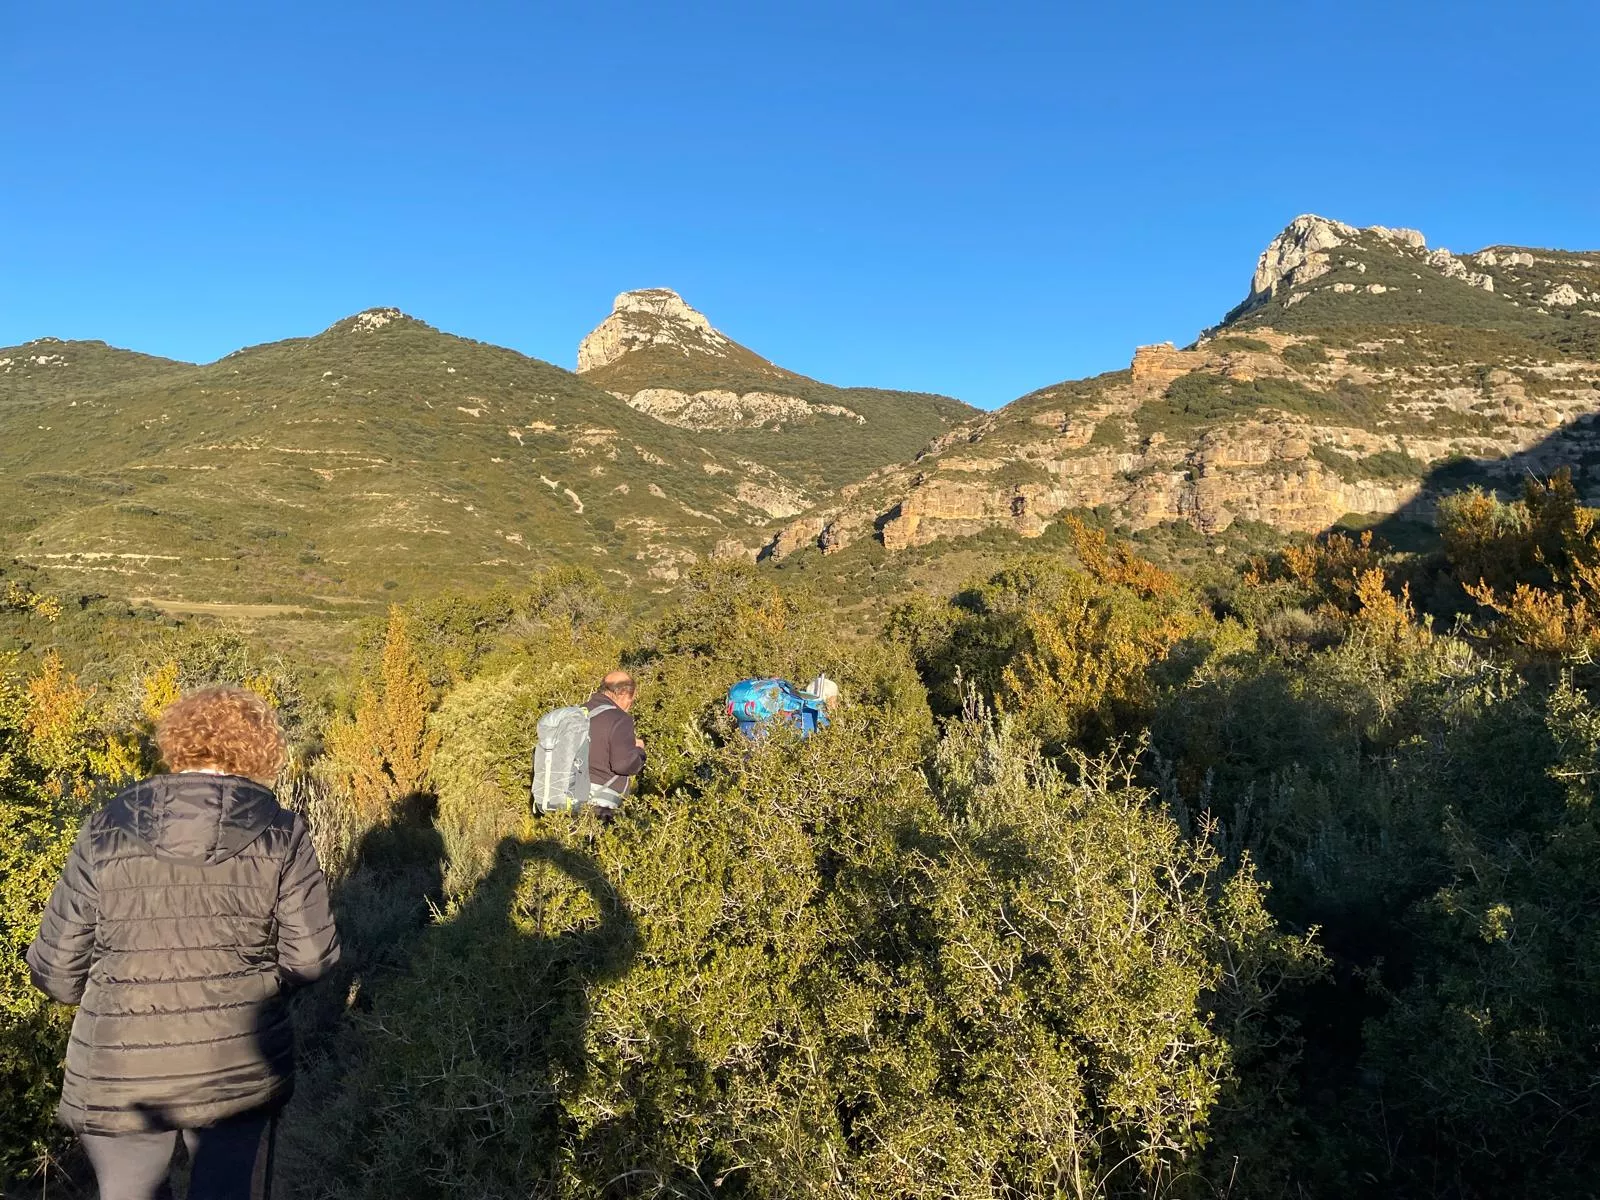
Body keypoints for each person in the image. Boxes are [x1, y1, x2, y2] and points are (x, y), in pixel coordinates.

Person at [27, 685, 341, 1200]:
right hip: (235, 1066)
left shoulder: (105, 828)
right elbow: (311, 958)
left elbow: (56, 973)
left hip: (118, 1072)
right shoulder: (282, 832)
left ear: (178, 743)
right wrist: (259, 986)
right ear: (259, 749)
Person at [583, 670, 646, 814]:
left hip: (563, 799)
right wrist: (639, 751)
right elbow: (624, 765)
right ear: (623, 694)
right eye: (632, 699)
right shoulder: (619, 718)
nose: (630, 704)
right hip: (598, 804)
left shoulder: (577, 712)